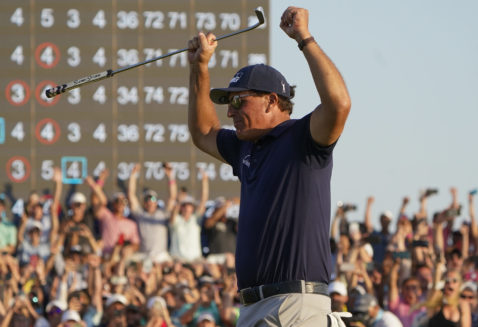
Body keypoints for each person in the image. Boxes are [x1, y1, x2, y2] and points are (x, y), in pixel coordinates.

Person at [187, 5, 351, 325]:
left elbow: (339, 104)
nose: (230, 112)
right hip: (250, 308)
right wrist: (199, 69)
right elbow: (203, 132)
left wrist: (304, 38)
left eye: (238, 101)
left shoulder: (304, 138)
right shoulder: (245, 147)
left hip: (296, 306)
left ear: (271, 101)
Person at [128, 163, 177, 257]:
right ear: (144, 203)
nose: (150, 202)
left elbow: (172, 197)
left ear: (156, 202)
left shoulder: (163, 214)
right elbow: (131, 195)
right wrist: (133, 175)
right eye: (147, 200)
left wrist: (171, 176)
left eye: (153, 199)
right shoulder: (140, 214)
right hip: (143, 256)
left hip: (161, 256)